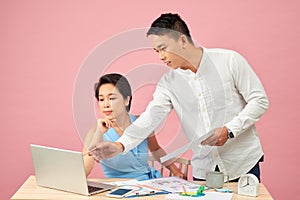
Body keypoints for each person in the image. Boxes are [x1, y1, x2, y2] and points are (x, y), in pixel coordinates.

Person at [89, 13, 269, 182]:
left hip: (243, 165)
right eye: (156, 51)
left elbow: (259, 100)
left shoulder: (229, 61)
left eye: (163, 49)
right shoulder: (168, 83)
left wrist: (229, 130)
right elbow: (149, 119)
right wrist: (120, 145)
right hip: (204, 171)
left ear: (182, 40)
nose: (161, 57)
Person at [83, 73, 185, 180]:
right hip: (119, 188)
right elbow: (84, 170)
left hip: (150, 184)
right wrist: (99, 132)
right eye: (101, 99)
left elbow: (156, 149)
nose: (106, 105)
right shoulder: (96, 131)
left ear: (127, 100)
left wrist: (176, 171)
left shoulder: (141, 122)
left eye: (112, 98)